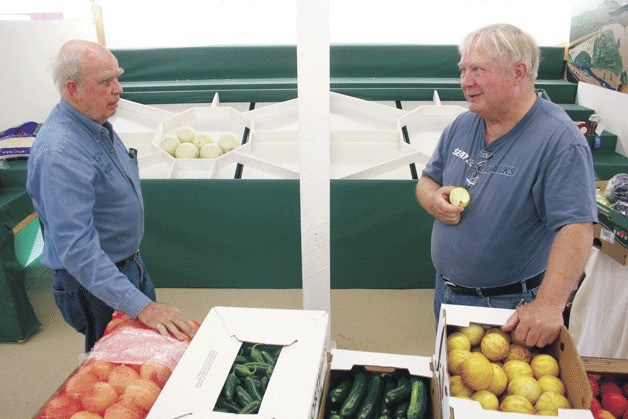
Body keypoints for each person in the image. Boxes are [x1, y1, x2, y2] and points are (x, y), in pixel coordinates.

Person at [416, 24, 598, 348]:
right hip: (445, 291)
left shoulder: (559, 141)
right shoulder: (464, 123)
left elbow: (577, 227)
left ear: (518, 72)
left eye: (478, 70)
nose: (465, 82)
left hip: (506, 306)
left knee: (491, 393)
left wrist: (549, 305)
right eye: (463, 70)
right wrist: (431, 199)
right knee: (447, 386)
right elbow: (428, 179)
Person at [26, 40, 196, 352]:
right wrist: (142, 306)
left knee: (144, 351)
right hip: (92, 284)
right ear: (73, 89)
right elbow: (77, 249)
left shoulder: (93, 122)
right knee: (117, 365)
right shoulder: (59, 154)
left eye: (117, 77)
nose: (118, 88)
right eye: (106, 81)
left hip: (126, 266)